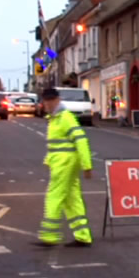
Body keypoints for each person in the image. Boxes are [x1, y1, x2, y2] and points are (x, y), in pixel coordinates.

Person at [38, 87, 94, 247]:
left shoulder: (65, 118)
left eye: (49, 101)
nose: (46, 104)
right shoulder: (54, 119)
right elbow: (55, 146)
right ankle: (83, 235)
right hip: (62, 163)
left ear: (56, 100)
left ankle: (49, 235)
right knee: (72, 199)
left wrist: (87, 165)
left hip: (65, 164)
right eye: (45, 101)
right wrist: (48, 161)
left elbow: (81, 140)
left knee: (54, 197)